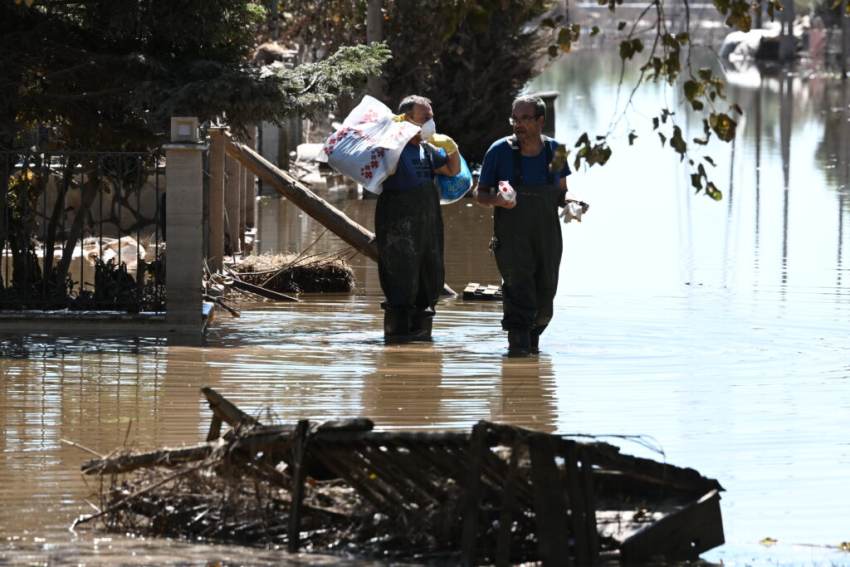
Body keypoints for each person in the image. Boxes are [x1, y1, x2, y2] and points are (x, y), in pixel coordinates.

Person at [474, 95, 573, 357]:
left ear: (540, 121)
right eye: (514, 119)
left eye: (525, 118)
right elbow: (480, 194)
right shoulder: (499, 151)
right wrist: (498, 201)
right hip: (511, 239)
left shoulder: (557, 151)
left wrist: (573, 203)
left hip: (548, 238)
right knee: (519, 293)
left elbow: (562, 192)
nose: (518, 124)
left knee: (545, 298)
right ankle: (517, 354)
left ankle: (531, 349)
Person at [377, 95, 460, 343]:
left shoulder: (427, 150)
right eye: (425, 118)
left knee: (430, 277)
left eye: (431, 117)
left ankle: (422, 343)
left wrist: (451, 147)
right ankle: (397, 343)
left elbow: (452, 170)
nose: (430, 123)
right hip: (398, 226)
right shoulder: (392, 149)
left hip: (428, 227)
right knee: (400, 280)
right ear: (406, 119)